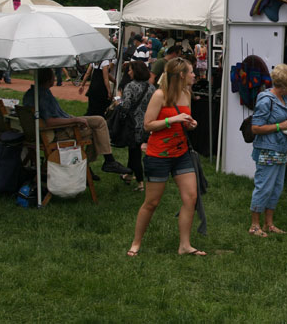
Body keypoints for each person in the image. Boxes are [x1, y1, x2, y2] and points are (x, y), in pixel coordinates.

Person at [127, 58, 204, 257]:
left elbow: (185, 120)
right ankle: (136, 243)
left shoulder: (186, 93)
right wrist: (172, 119)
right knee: (151, 202)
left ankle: (185, 245)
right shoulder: (159, 95)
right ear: (181, 75)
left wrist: (189, 123)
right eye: (191, 72)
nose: (194, 75)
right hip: (159, 155)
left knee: (191, 198)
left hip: (181, 154)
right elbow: (148, 125)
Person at [22, 68, 131, 176]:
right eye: (53, 76)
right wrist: (74, 120)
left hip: (46, 130)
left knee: (99, 120)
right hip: (60, 131)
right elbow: (50, 122)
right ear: (48, 79)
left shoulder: (31, 93)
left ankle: (106, 161)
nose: (55, 78)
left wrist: (73, 118)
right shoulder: (43, 96)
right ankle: (91, 164)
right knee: (97, 132)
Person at [248, 63, 287, 237]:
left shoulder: (286, 101)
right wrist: (280, 125)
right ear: (283, 85)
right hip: (267, 150)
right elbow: (256, 128)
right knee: (264, 187)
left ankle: (269, 224)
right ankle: (254, 225)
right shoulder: (266, 99)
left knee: (276, 188)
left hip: (281, 149)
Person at [119, 60, 155, 192]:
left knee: (134, 153)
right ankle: (128, 175)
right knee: (134, 151)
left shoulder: (130, 86)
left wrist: (118, 103)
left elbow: (126, 105)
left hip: (133, 124)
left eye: (130, 69)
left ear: (135, 71)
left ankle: (140, 182)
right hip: (147, 124)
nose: (128, 72)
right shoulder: (151, 87)